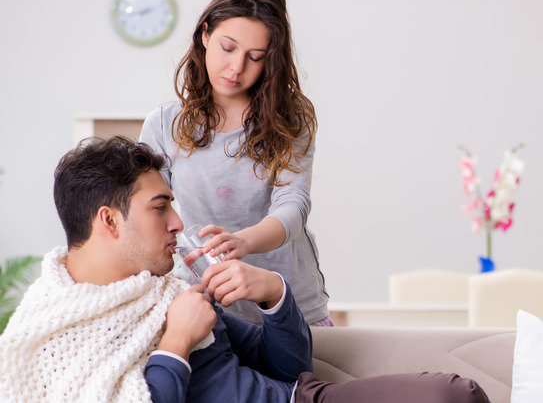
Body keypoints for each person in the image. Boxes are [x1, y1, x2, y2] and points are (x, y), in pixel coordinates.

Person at [0, 136, 490, 403]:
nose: (178, 222)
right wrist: (176, 344)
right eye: (159, 208)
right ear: (108, 220)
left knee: (452, 395)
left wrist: (272, 294)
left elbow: (289, 369)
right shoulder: (47, 329)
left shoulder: (165, 294)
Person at [139, 0, 329, 326]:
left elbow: (294, 205)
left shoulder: (291, 119)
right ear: (205, 34)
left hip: (289, 305)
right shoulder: (164, 124)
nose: (236, 68)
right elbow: (144, 208)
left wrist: (243, 242)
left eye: (254, 57)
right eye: (228, 48)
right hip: (205, 306)